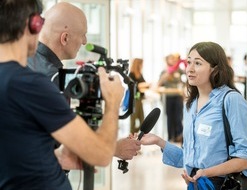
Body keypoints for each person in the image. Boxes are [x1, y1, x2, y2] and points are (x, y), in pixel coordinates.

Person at [0, 0, 124, 189]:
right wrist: (113, 102)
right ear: (34, 25)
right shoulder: (31, 84)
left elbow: (14, 143)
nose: (84, 42)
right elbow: (101, 155)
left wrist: (54, 157)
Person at [27, 2, 141, 161]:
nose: (84, 41)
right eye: (83, 34)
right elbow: (53, 146)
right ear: (65, 37)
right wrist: (112, 104)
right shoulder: (51, 79)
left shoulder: (24, 62)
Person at [141, 42, 247, 189]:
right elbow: (190, 158)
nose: (189, 69)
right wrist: (158, 141)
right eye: (188, 62)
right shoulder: (190, 104)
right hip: (197, 183)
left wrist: (206, 173)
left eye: (197, 63)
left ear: (215, 69)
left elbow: (246, 159)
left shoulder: (231, 100)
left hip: (222, 185)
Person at [158, 53, 184, 142]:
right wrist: (168, 72)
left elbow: (185, 75)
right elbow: (159, 84)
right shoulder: (164, 71)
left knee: (178, 116)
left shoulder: (178, 70)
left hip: (178, 96)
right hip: (168, 97)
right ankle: (171, 137)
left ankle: (179, 135)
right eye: (171, 59)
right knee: (170, 117)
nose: (173, 60)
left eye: (174, 59)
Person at [128, 58, 149, 133]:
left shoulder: (140, 74)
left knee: (141, 118)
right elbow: (133, 86)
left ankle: (139, 133)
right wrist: (141, 86)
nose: (142, 66)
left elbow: (144, 84)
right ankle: (132, 133)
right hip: (134, 99)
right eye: (141, 64)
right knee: (134, 117)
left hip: (140, 98)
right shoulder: (131, 75)